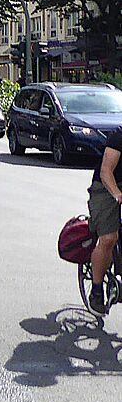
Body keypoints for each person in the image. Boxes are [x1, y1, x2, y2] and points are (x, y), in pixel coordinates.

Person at [86, 128, 122, 313]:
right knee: (108, 238)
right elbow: (106, 172)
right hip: (106, 187)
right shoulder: (119, 136)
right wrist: (117, 194)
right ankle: (97, 290)